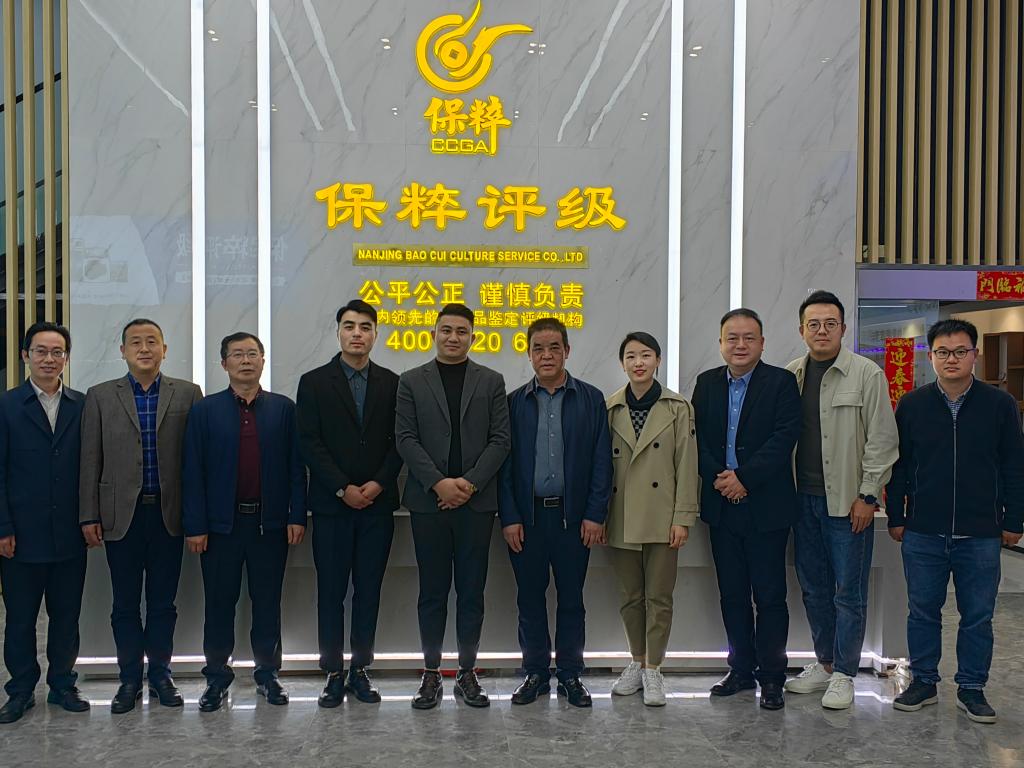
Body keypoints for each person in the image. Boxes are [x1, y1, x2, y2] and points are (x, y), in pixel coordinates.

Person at [887, 319, 1024, 724]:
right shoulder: (912, 404)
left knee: (978, 615)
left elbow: (1014, 465)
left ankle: (972, 687)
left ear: (974, 355)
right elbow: (899, 466)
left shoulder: (999, 404)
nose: (952, 359)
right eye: (943, 352)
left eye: (960, 351)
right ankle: (923, 681)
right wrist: (897, 515)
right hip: (923, 529)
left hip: (980, 531)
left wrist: (1014, 518)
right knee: (922, 611)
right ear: (930, 357)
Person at [79, 318, 203, 713]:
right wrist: (88, 515)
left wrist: (196, 517)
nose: (144, 348)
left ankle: (161, 675)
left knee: (164, 603)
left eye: (152, 342)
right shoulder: (100, 396)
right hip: (120, 517)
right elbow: (90, 460)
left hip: (168, 515)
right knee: (124, 604)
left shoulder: (188, 393)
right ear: (123, 351)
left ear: (165, 349)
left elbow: (196, 462)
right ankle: (129, 678)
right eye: (136, 342)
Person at [783, 290, 898, 709]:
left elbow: (883, 440)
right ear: (801, 330)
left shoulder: (866, 374)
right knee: (813, 588)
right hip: (802, 502)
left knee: (848, 592)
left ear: (843, 328)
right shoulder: (791, 375)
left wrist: (868, 494)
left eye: (830, 324)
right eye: (813, 324)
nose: (822, 331)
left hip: (849, 503)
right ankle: (826, 663)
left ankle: (846, 673)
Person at [182, 332, 307, 712]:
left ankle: (268, 675)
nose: (246, 360)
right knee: (219, 604)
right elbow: (192, 470)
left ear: (263, 361)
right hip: (221, 527)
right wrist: (195, 525)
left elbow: (296, 468)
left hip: (269, 525)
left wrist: (296, 516)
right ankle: (217, 678)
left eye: (253, 354)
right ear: (224, 364)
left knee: (267, 603)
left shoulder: (283, 409)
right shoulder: (205, 410)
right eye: (237, 354)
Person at [395, 303, 510, 709]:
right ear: (434, 334)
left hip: (476, 506)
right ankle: (431, 673)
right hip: (428, 504)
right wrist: (439, 483)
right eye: (446, 330)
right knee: (432, 591)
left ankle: (466, 672)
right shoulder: (411, 381)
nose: (453, 337)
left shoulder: (491, 381)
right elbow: (405, 438)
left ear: (473, 337)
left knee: (471, 592)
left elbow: (501, 440)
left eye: (462, 331)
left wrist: (470, 484)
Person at [499, 318, 612, 708]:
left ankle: (570, 674)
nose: (546, 355)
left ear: (567, 351)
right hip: (527, 521)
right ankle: (534, 673)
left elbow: (601, 461)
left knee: (572, 599)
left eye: (553, 348)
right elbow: (505, 467)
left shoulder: (591, 399)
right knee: (529, 598)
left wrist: (595, 514)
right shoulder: (514, 402)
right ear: (528, 353)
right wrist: (510, 517)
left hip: (573, 519)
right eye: (538, 348)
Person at [692, 309, 800, 711]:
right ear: (721, 343)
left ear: (762, 343)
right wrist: (721, 479)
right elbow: (697, 439)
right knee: (732, 594)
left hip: (766, 507)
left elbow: (784, 437)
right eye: (732, 338)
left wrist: (745, 479)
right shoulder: (706, 384)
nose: (740, 345)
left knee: (769, 596)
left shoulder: (781, 383)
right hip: (721, 505)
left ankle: (772, 676)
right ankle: (739, 669)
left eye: (748, 338)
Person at [296, 300, 402, 707]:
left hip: (377, 506)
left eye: (365, 327)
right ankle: (333, 671)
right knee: (331, 591)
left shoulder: (393, 383)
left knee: (368, 590)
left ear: (376, 334)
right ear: (338, 332)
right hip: (331, 507)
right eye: (349, 326)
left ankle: (360, 669)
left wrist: (375, 485)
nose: (357, 333)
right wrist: (343, 487)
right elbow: (309, 442)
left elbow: (400, 442)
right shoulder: (314, 382)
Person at [0, 323, 89, 723]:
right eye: (41, 351)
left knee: (66, 616)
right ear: (25, 356)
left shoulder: (82, 405)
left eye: (57, 352)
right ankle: (20, 690)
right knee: (20, 619)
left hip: (70, 531)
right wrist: (3, 527)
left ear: (66, 358)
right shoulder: (6, 406)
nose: (49, 359)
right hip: (21, 534)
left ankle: (62, 684)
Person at [604, 332, 698, 706]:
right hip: (621, 514)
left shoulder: (678, 407)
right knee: (630, 596)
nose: (638, 362)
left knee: (659, 597)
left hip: (663, 516)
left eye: (646, 355)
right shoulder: (610, 408)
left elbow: (687, 465)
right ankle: (637, 661)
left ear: (658, 360)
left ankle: (655, 668)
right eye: (631, 356)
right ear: (622, 363)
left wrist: (682, 517)